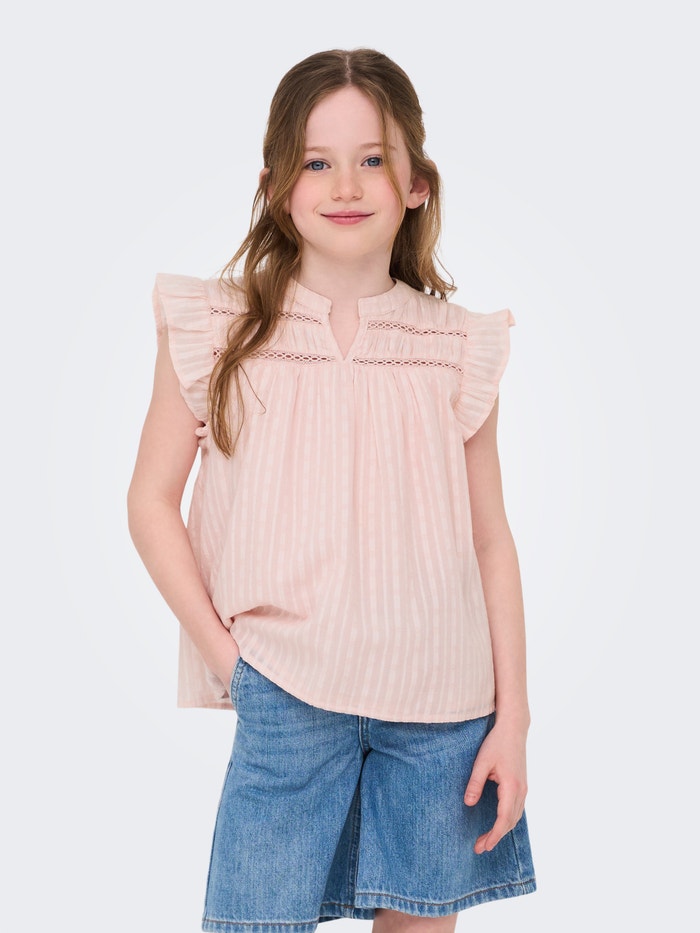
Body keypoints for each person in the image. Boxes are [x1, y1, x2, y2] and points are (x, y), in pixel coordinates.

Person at [127, 47, 536, 933]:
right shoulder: (217, 328)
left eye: (372, 158)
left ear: (416, 183)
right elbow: (150, 502)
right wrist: (233, 662)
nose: (345, 185)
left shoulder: (456, 347)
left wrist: (515, 720)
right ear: (276, 184)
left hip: (443, 710)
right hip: (285, 691)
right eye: (317, 162)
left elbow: (490, 538)